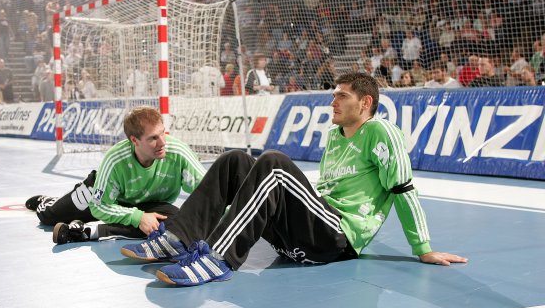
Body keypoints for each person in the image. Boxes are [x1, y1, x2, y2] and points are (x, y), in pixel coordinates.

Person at [120, 72, 467, 286]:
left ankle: (218, 260)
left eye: (342, 96)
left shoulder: (380, 132)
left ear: (365, 103)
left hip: (336, 238)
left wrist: (423, 249)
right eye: (333, 94)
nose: (333, 101)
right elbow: (323, 191)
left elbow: (403, 189)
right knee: (234, 161)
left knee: (273, 163)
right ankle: (178, 239)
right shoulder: (335, 136)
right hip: (305, 235)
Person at [24, 106, 206, 245]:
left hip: (148, 203)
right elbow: (99, 206)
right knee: (49, 217)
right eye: (153, 138)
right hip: (105, 197)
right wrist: (137, 217)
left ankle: (88, 231)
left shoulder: (178, 152)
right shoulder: (115, 159)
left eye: (162, 133)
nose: (162, 142)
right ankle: (48, 201)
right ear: (134, 140)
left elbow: (209, 189)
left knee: (174, 222)